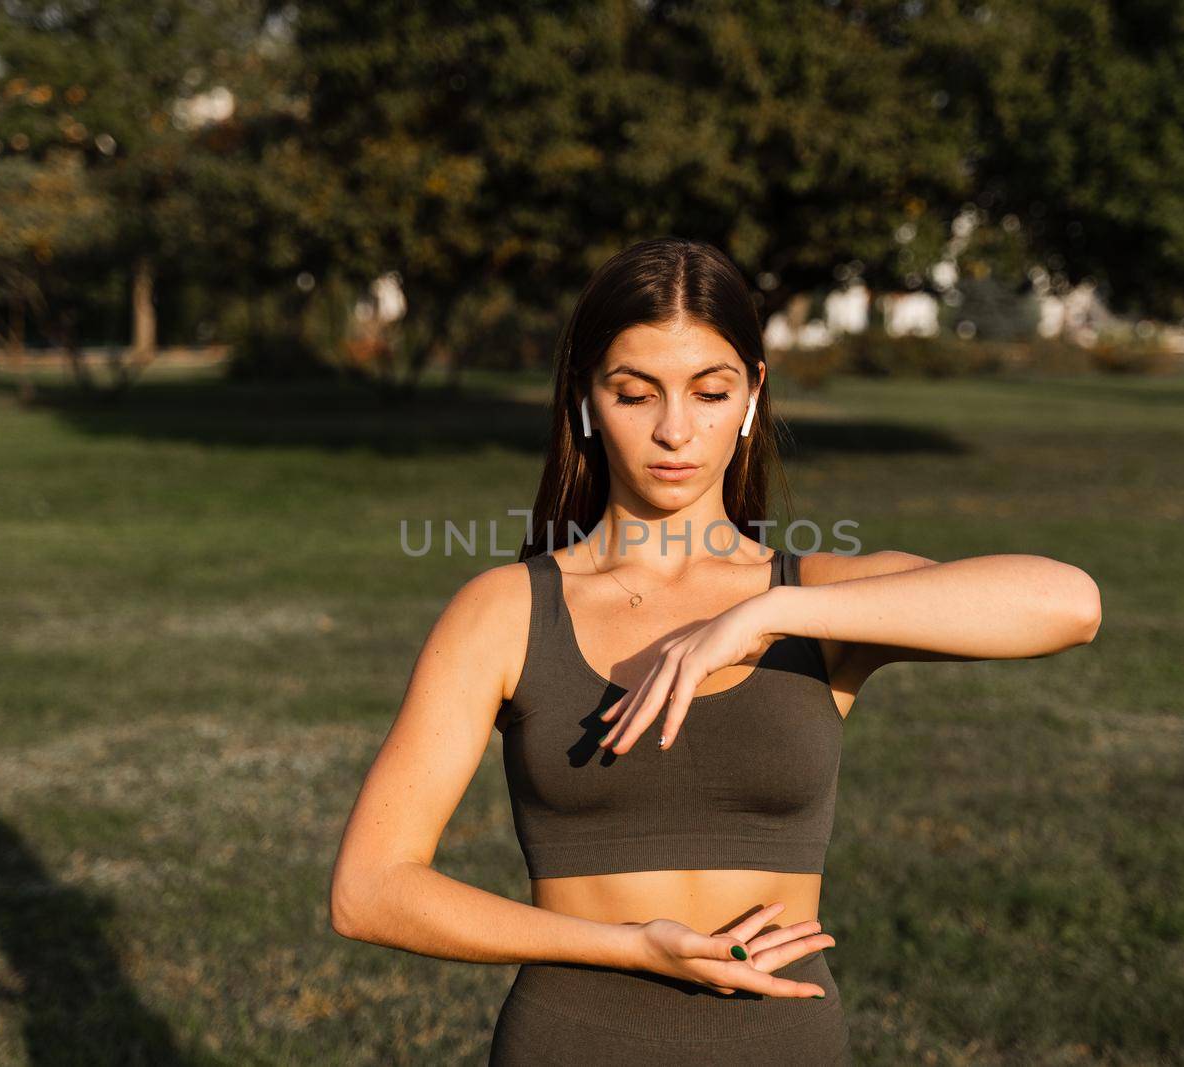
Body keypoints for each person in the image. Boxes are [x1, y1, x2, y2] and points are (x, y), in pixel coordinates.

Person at [329, 238, 1102, 1064]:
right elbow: (370, 891)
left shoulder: (818, 600)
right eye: (634, 393)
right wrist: (631, 947)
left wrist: (765, 612)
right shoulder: (506, 611)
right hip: (575, 1037)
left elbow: (1068, 604)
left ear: (753, 395)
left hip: (783, 1043)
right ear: (586, 398)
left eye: (710, 391)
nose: (674, 430)